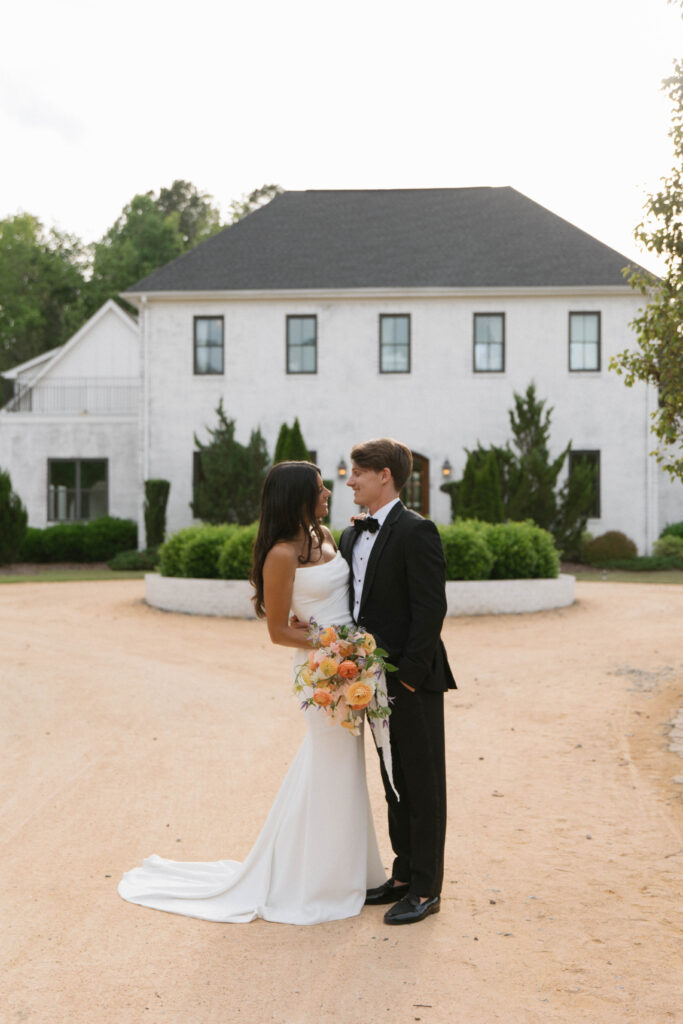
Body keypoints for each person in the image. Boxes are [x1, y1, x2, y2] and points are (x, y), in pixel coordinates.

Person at [118, 461, 385, 925]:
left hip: (351, 666)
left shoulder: (325, 535)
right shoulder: (280, 555)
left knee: (345, 767)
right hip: (321, 672)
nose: (328, 495)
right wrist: (334, 646)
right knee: (330, 766)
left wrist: (354, 649)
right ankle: (318, 880)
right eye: (320, 490)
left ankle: (350, 870)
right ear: (297, 498)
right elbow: (279, 631)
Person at [338, 438, 456, 926]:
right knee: (393, 781)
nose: (349, 481)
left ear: (384, 475)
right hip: (368, 682)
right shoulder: (349, 536)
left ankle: (427, 889)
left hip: (413, 682)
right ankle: (404, 875)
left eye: (357, 474)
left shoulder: (417, 530)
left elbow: (432, 610)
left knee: (423, 784)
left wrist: (406, 678)